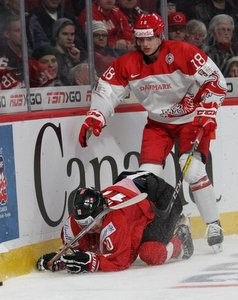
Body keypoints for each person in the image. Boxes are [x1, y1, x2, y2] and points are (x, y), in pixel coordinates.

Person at [78, 13, 227, 253]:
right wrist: (97, 116)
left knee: (191, 168)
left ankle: (213, 224)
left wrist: (208, 108)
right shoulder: (129, 63)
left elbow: (215, 80)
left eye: (150, 38)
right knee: (147, 178)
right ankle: (175, 222)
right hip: (158, 124)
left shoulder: (184, 52)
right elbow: (107, 90)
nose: (145, 44)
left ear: (160, 36)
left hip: (191, 120)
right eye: (140, 39)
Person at [36, 171, 194, 273]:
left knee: (150, 253)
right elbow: (76, 249)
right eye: (82, 223)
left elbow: (122, 261)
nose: (88, 228)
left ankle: (180, 239)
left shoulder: (116, 219)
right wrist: (62, 259)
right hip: (131, 187)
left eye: (91, 222)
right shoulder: (76, 223)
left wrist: (92, 262)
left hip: (156, 196)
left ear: (102, 211)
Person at [0, 13, 24, 89]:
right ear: (7, 34)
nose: (23, 34)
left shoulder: (31, 57)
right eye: (18, 30)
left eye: (24, 30)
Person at [52, 18, 87, 86]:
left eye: (72, 34)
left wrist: (77, 61)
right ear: (56, 36)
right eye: (65, 34)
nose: (69, 38)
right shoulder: (50, 56)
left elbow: (85, 79)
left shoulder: (77, 54)